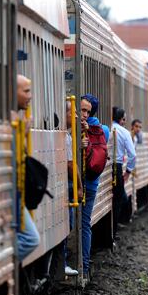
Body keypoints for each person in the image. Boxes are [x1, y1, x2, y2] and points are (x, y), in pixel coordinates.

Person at [80, 93, 109, 277]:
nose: (83, 114)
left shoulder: (90, 129)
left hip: (84, 182)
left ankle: (79, 265)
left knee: (77, 223)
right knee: (85, 224)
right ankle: (84, 266)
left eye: (86, 111)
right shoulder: (103, 129)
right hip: (92, 183)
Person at [12, 75, 41, 261]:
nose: (30, 96)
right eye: (26, 91)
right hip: (10, 191)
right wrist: (22, 133)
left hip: (14, 190)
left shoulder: (17, 119)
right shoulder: (12, 121)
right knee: (30, 239)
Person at [111, 107, 136, 230]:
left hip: (104, 166)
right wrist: (128, 171)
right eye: (124, 119)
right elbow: (133, 155)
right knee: (117, 199)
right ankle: (114, 231)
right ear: (121, 119)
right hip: (117, 166)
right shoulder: (124, 132)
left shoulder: (106, 128)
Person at [63, 99, 81, 277]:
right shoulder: (65, 137)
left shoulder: (67, 135)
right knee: (67, 224)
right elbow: (70, 164)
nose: (76, 116)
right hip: (66, 185)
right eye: (73, 112)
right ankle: (63, 262)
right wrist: (79, 186)